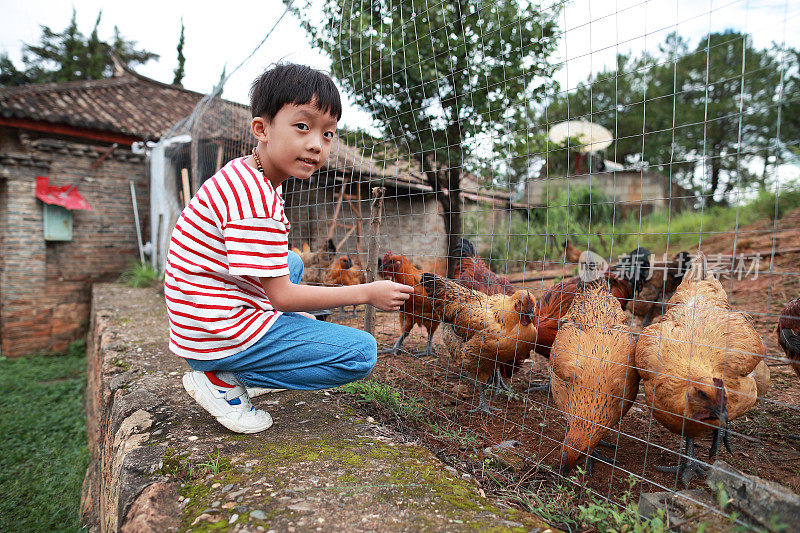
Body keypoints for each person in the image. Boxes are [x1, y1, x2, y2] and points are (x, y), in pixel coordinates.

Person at [164, 63, 412, 433]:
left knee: (292, 262)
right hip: (212, 333)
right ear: (262, 129)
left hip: (198, 313)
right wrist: (367, 292)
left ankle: (249, 359)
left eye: (328, 134)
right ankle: (222, 380)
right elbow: (281, 297)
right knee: (362, 353)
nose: (316, 144)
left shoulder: (248, 172)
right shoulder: (255, 201)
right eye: (303, 126)